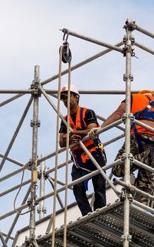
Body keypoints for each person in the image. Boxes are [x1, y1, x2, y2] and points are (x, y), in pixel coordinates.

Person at [59, 84, 107, 216]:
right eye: (63, 98)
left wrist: (76, 133)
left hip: (93, 153)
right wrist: (70, 138)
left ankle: (100, 213)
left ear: (76, 97)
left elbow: (93, 130)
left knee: (99, 185)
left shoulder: (87, 112)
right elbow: (61, 142)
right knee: (77, 188)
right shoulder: (64, 120)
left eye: (67, 97)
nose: (65, 100)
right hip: (78, 157)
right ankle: (87, 214)